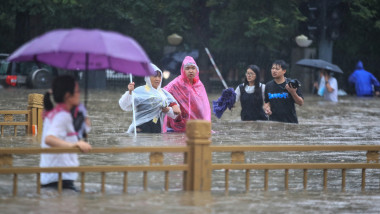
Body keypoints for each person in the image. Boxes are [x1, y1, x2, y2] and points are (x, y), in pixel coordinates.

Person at [40, 75, 92, 191]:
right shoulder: (62, 116)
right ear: (68, 95)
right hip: (59, 181)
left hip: (55, 178)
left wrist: (83, 116)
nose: (79, 94)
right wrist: (74, 145)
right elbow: (49, 139)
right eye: (77, 91)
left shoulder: (55, 113)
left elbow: (81, 131)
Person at [119, 63, 181, 133]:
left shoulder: (164, 93)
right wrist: (130, 92)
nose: (157, 79)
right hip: (140, 127)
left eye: (159, 76)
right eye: (154, 76)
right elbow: (124, 105)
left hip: (157, 127)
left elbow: (175, 114)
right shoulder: (140, 91)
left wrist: (168, 110)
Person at [164, 56, 211, 132]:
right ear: (183, 70)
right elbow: (163, 94)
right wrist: (173, 105)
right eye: (187, 68)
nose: (191, 71)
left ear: (197, 70)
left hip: (195, 126)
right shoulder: (176, 83)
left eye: (193, 68)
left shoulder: (199, 85)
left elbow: (205, 106)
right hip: (177, 125)